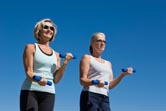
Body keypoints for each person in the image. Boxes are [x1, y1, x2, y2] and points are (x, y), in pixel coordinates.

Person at [20, 18, 73, 111]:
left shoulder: (56, 55)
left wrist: (65, 62)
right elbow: (29, 73)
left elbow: (56, 80)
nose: (49, 30)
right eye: (46, 27)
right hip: (30, 90)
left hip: (49, 93)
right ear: (39, 31)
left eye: (52, 28)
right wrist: (39, 79)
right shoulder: (31, 47)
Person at [79, 32, 134, 111]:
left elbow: (110, 85)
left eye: (104, 41)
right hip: (90, 95)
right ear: (92, 43)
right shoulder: (87, 58)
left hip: (105, 98)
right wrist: (96, 82)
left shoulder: (108, 63)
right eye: (99, 41)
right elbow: (82, 80)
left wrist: (123, 74)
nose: (102, 43)